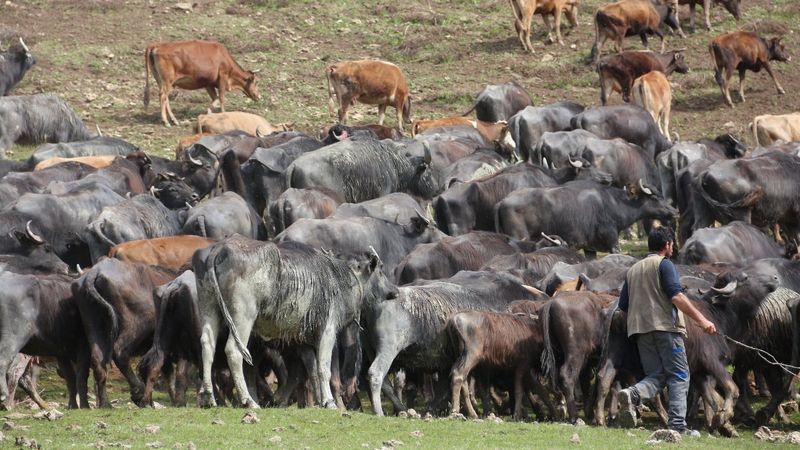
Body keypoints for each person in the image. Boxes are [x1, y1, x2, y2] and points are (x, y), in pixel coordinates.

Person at [616, 227, 716, 436]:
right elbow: (676, 296)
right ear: (667, 244)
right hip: (666, 329)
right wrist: (702, 320)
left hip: (640, 332)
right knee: (679, 374)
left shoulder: (633, 270)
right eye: (672, 244)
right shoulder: (665, 264)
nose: (673, 247)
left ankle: (633, 393)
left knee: (658, 375)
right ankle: (677, 425)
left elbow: (623, 305)